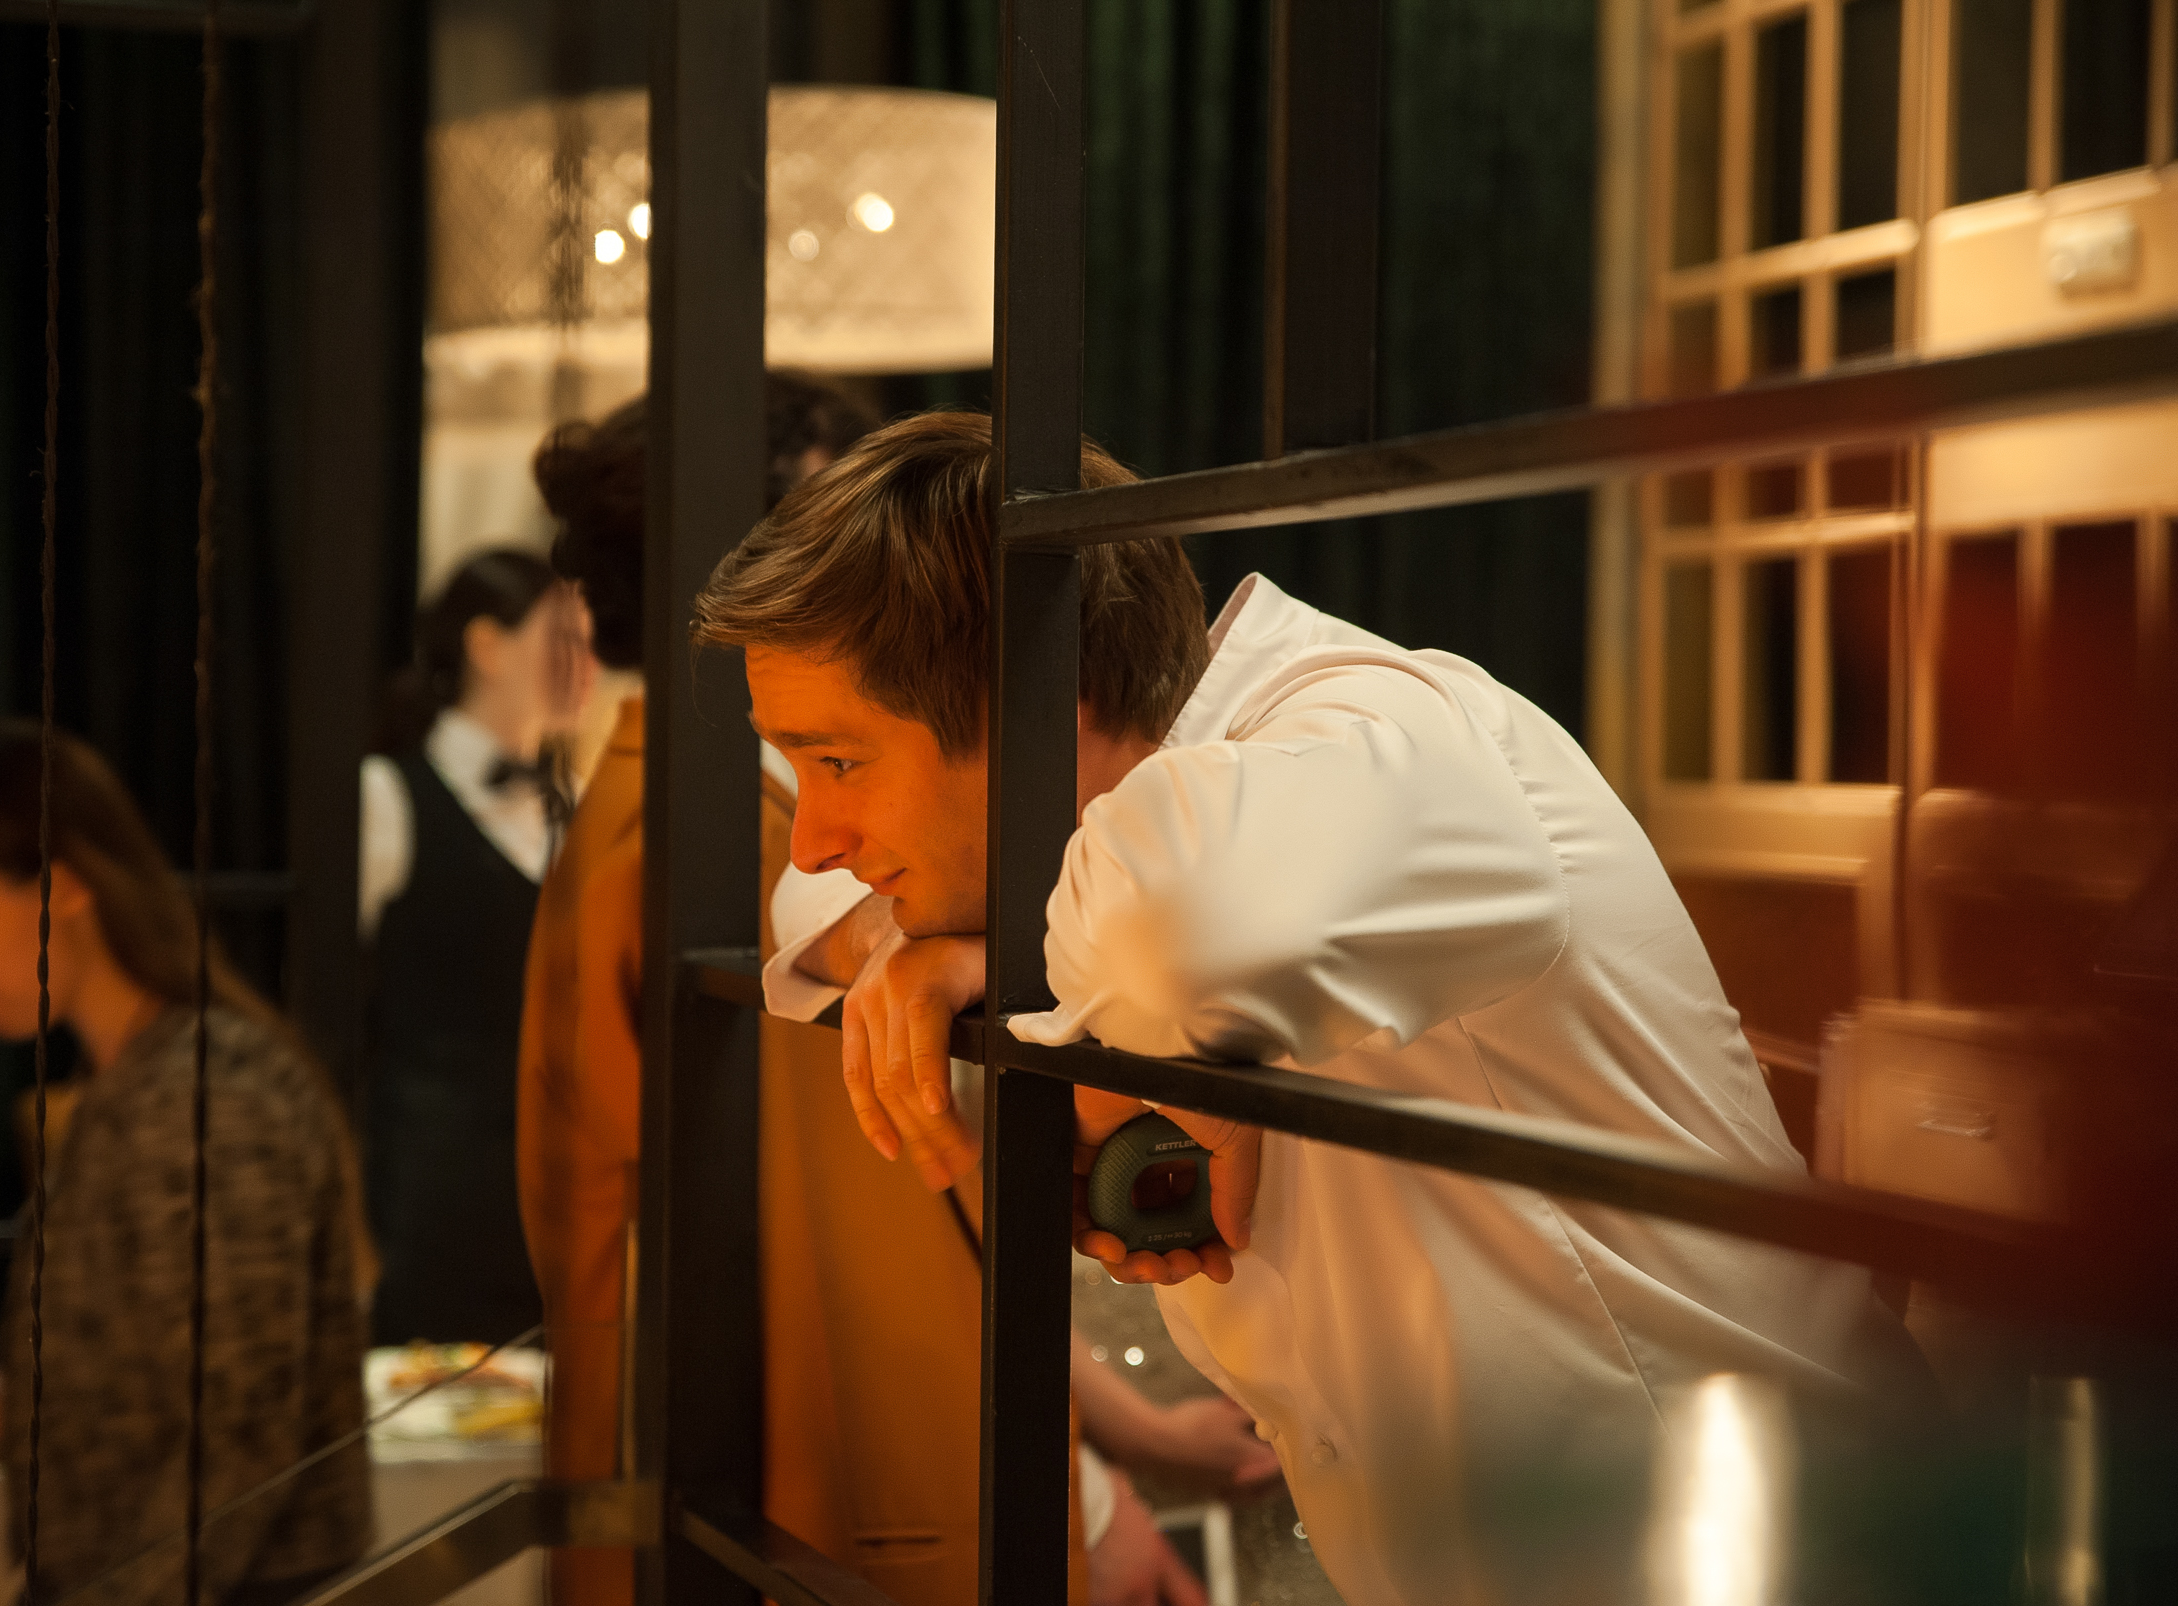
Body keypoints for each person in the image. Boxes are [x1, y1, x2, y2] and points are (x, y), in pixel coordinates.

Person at [702, 411, 1935, 1606]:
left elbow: (1183, 933)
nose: (815, 833)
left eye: (840, 762)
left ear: (1035, 700)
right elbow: (804, 907)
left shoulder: (1381, 731)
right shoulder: (1120, 839)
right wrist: (973, 948)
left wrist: (1044, 982)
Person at [517, 379, 1244, 1606]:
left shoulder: (653, 814)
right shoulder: (715, 840)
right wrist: (1085, 1495)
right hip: (818, 1492)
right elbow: (890, 1218)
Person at [0, 722, 372, 1606]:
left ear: (66, 885)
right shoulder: (138, 1082)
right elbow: (168, 1378)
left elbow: (238, 1442)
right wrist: (34, 1404)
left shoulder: (209, 1096)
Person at [360, 546, 590, 1346]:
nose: (586, 663)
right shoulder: (386, 797)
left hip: (558, 1199)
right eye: (563, 637)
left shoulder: (577, 804)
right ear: (486, 646)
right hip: (428, 1200)